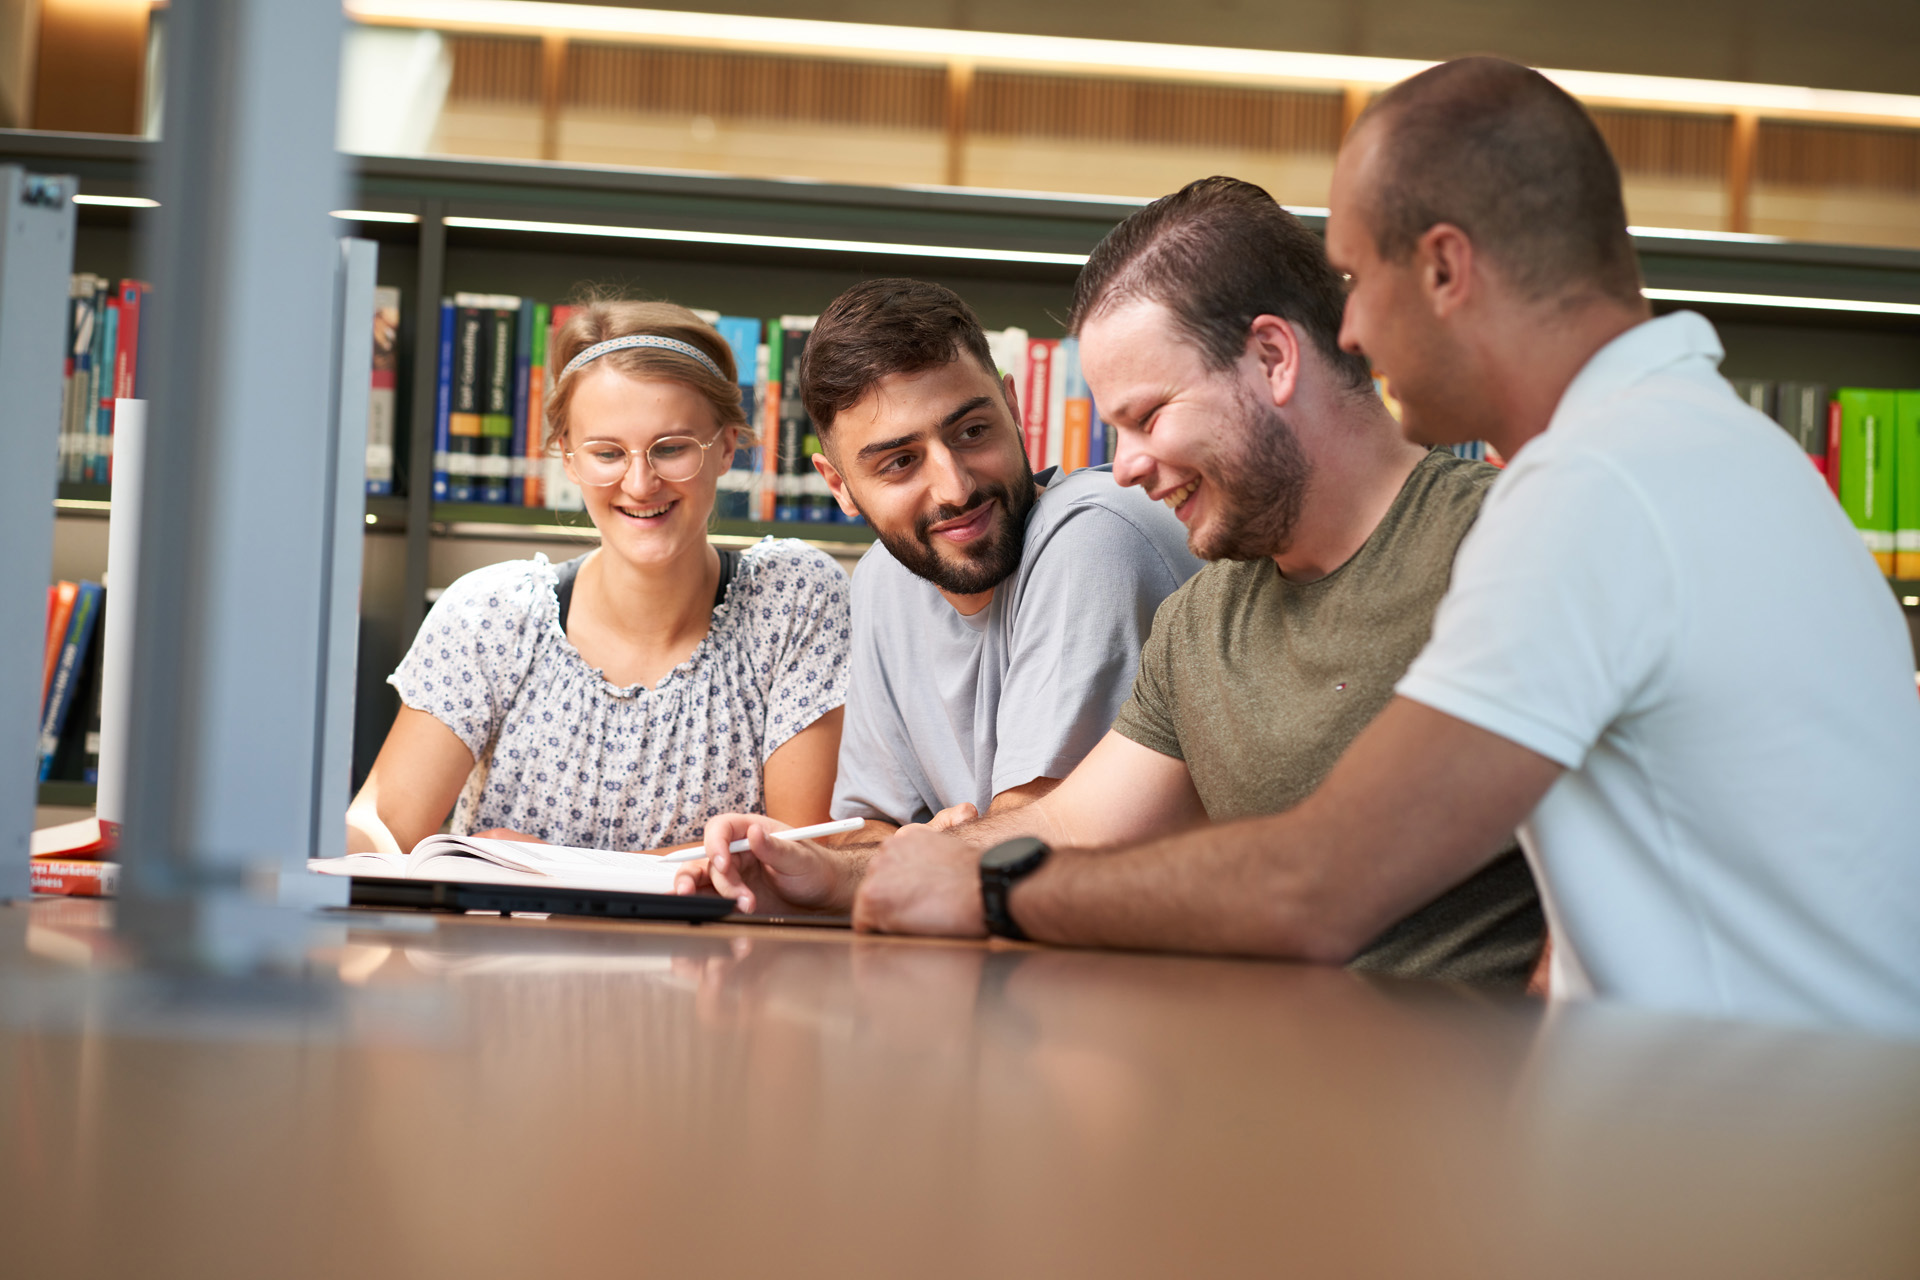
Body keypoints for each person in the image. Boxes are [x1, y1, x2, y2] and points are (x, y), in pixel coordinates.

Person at [847, 58, 1920, 1037]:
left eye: (1357, 279)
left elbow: (1318, 883)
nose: (1347, 333)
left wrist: (996, 890)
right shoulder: (1710, 451)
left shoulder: (1590, 494)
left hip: (1754, 1162)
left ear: (1447, 268)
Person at [687, 186, 1547, 988]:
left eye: (1147, 417)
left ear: (1273, 357)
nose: (1126, 467)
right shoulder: (1204, 621)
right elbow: (1060, 829)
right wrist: (832, 878)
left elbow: (1316, 888)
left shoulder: (1510, 547)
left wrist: (989, 890)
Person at [345, 301, 851, 856]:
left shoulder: (795, 599)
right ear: (567, 456)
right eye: (607, 452)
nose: (639, 483)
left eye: (672, 448)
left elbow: (798, 854)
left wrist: (551, 869)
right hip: (496, 946)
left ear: (727, 446)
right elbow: (384, 825)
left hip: (720, 948)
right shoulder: (488, 615)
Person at [728, 279, 1202, 850]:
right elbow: (861, 836)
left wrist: (928, 851)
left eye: (972, 432)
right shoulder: (885, 575)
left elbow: (1031, 851)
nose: (954, 488)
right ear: (840, 487)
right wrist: (922, 852)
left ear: (1014, 408)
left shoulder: (1094, 534)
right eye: (900, 462)